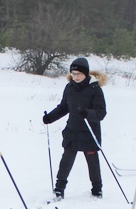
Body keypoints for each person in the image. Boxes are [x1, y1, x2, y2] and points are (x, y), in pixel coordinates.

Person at [42, 57, 108, 198]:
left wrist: (88, 113)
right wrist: (50, 117)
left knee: (92, 162)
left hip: (89, 132)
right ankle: (59, 188)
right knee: (66, 160)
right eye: (73, 74)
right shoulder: (69, 87)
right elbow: (64, 107)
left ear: (86, 74)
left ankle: (97, 189)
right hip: (72, 130)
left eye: (79, 74)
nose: (76, 77)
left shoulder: (95, 89)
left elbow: (101, 112)